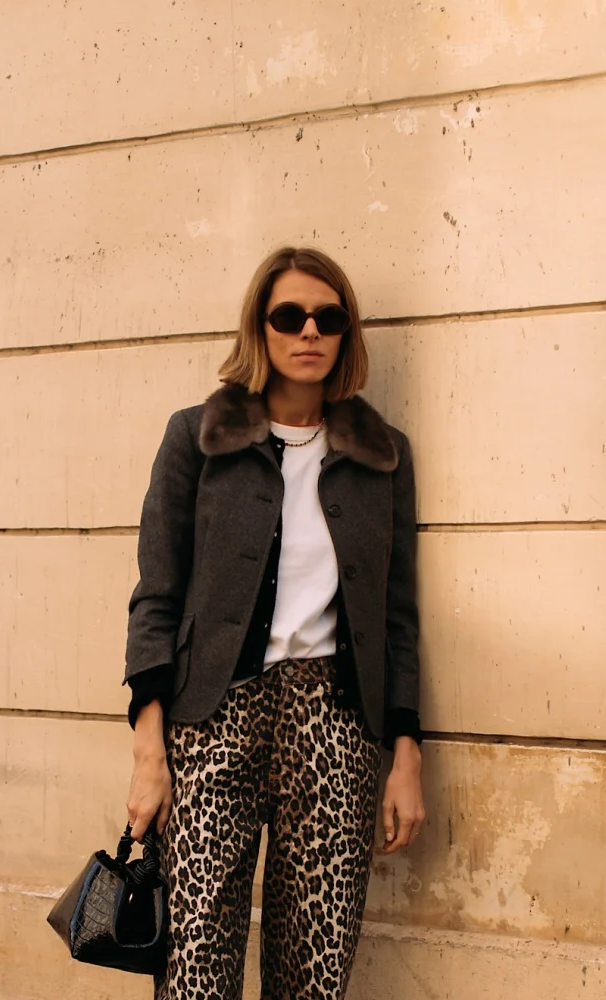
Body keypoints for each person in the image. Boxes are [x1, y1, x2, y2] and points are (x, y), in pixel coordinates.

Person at [123, 246, 425, 1000]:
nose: (309, 331)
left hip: (334, 726)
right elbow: (157, 596)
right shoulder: (195, 438)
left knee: (313, 975)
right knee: (194, 967)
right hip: (214, 719)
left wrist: (406, 756)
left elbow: (396, 618)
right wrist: (150, 753)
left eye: (328, 317)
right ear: (259, 328)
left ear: (347, 333)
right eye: (289, 316)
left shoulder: (383, 456)